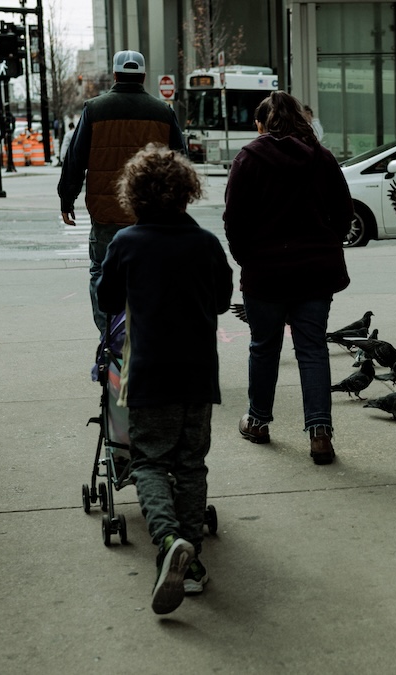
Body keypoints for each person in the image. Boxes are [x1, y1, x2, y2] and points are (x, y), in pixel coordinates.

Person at [96, 143, 232, 614]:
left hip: (149, 376)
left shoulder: (126, 243)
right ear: (186, 194)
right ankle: (190, 564)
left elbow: (108, 297)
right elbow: (220, 300)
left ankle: (169, 539)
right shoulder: (206, 243)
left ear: (134, 196)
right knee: (191, 464)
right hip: (198, 376)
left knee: (149, 462)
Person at [222, 91, 354, 465]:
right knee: (312, 349)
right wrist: (326, 242)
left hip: (265, 272)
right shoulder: (322, 159)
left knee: (264, 347)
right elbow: (343, 215)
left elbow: (234, 219)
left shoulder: (248, 158)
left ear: (263, 124)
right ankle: (320, 434)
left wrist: (246, 257)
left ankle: (258, 422)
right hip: (315, 272)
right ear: (301, 121)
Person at [58, 50, 187, 336]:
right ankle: (147, 335)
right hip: (152, 214)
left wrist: (67, 197)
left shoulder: (94, 109)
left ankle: (110, 338)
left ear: (115, 75)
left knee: (102, 272)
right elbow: (181, 160)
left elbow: (75, 159)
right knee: (152, 274)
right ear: (142, 76)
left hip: (108, 212)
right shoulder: (163, 112)